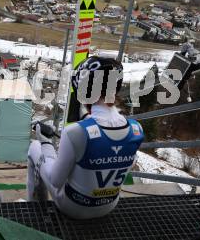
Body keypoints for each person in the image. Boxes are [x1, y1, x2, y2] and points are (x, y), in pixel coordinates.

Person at [27, 56, 144, 219]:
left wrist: (45, 143)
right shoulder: (136, 129)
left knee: (34, 147)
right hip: (109, 205)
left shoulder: (75, 131)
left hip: (73, 207)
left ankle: (33, 209)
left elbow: (55, 181)